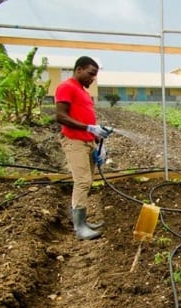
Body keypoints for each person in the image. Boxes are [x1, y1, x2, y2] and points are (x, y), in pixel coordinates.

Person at [55, 56, 112, 240]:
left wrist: (97, 138)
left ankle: (83, 222)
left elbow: (87, 118)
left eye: (95, 75)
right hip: (74, 141)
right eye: (90, 74)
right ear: (79, 69)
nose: (92, 78)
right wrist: (88, 128)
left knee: (87, 181)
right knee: (82, 181)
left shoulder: (84, 93)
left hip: (88, 142)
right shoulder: (66, 87)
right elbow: (61, 116)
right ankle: (79, 227)